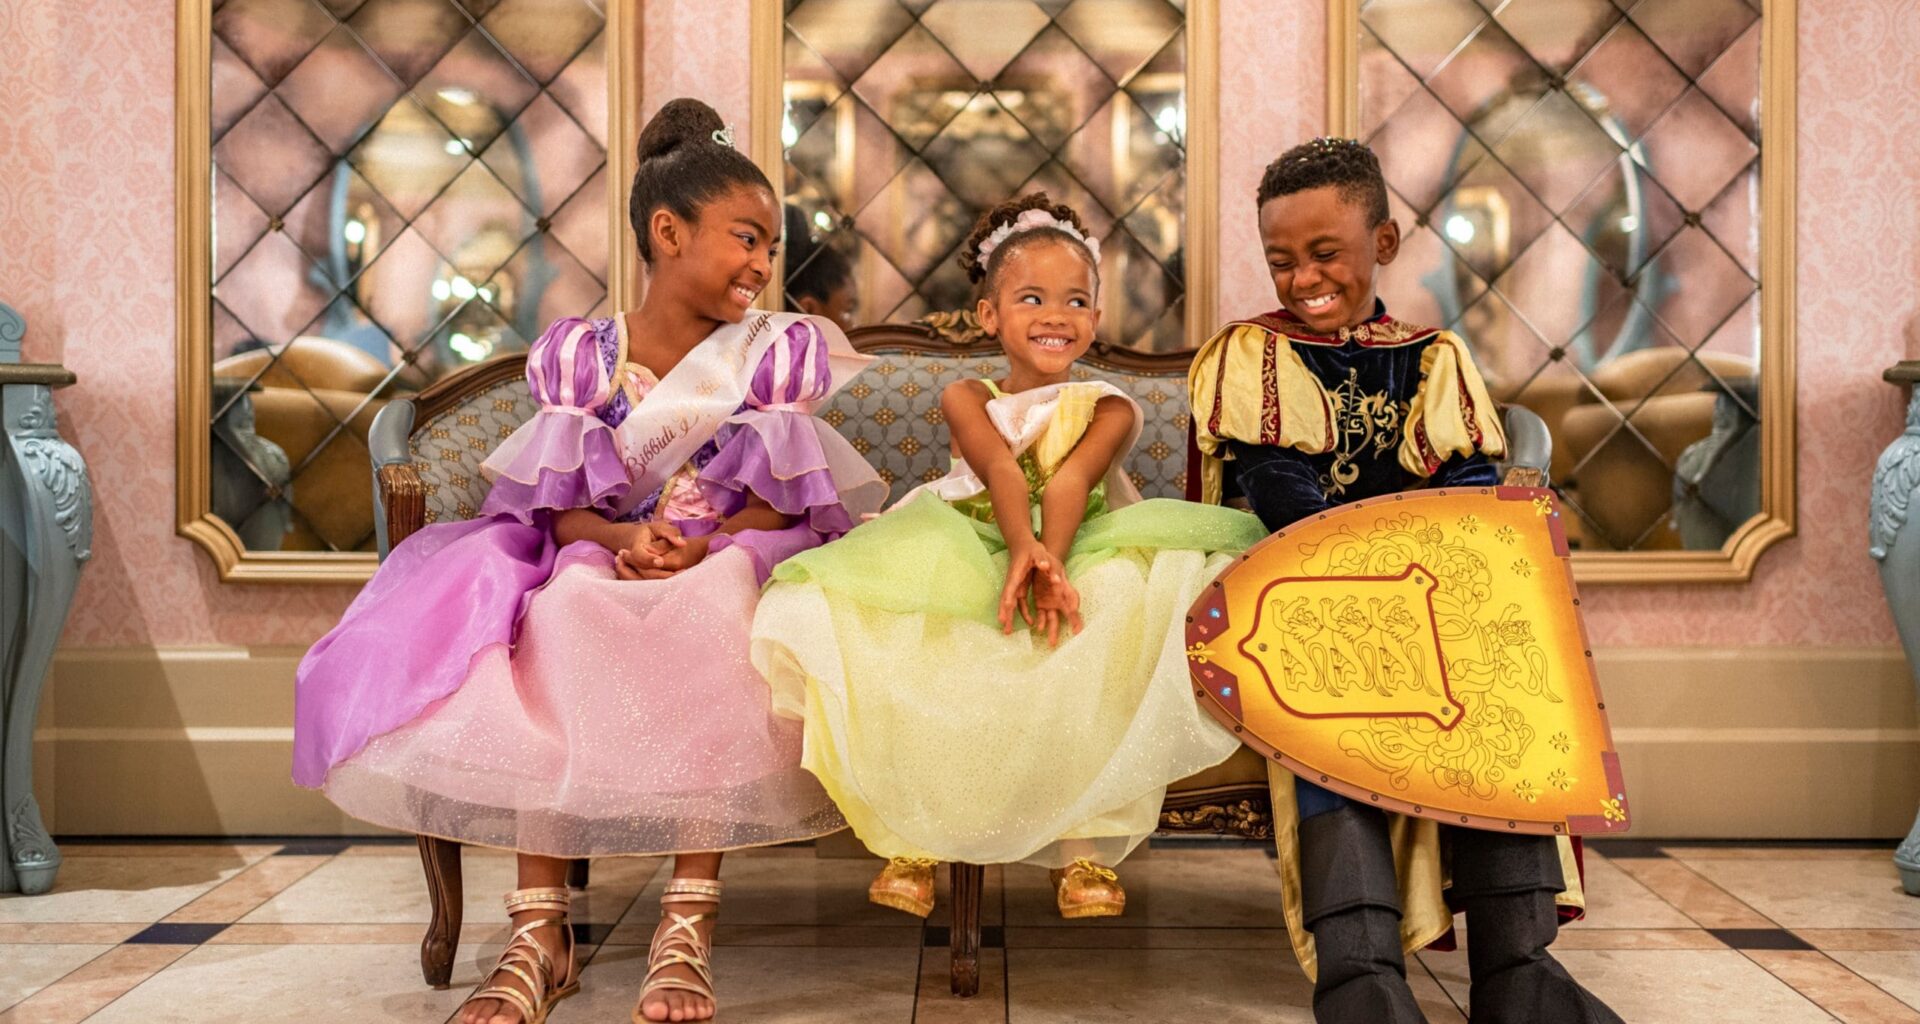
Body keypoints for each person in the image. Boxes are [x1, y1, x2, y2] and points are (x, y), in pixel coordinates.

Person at [292, 98, 885, 1024]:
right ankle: (542, 932)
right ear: (667, 231)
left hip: (728, 555)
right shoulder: (583, 359)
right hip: (604, 556)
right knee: (562, 608)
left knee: (722, 604)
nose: (765, 264)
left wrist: (705, 544)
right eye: (744, 237)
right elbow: (559, 511)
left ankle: (685, 923)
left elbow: (784, 499)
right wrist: (621, 541)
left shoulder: (772, 359)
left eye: (771, 244)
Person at [1188, 136, 1621, 1024]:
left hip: (1422, 593)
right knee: (1330, 696)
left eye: (1325, 253)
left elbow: (1464, 489)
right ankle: (1361, 973)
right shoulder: (1254, 357)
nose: (1303, 277)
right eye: (1281, 261)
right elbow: (1278, 485)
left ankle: (1520, 968)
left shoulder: (1432, 357)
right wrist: (1369, 568)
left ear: (1382, 245)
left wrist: (1446, 565)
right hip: (1306, 593)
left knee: (1501, 677)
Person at [752, 192, 1264, 921]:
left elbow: (1072, 482)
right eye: (1031, 297)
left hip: (1081, 536)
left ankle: (1083, 844)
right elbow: (998, 472)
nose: (1056, 315)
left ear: (1095, 317)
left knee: (1111, 603)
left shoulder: (1109, 405)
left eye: (1076, 300)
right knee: (917, 624)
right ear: (990, 315)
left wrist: (1049, 563)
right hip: (972, 530)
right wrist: (1020, 551)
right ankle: (916, 834)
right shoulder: (968, 394)